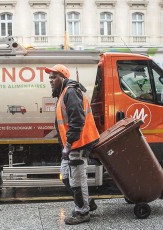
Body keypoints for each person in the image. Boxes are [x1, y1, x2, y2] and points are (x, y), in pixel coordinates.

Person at [45, 64, 100, 225]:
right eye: (50, 77)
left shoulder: (70, 92)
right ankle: (87, 203)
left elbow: (77, 121)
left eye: (54, 77)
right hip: (73, 144)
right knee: (66, 176)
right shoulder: (64, 92)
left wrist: (68, 145)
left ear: (63, 77)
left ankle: (82, 212)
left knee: (76, 179)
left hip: (79, 143)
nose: (51, 80)